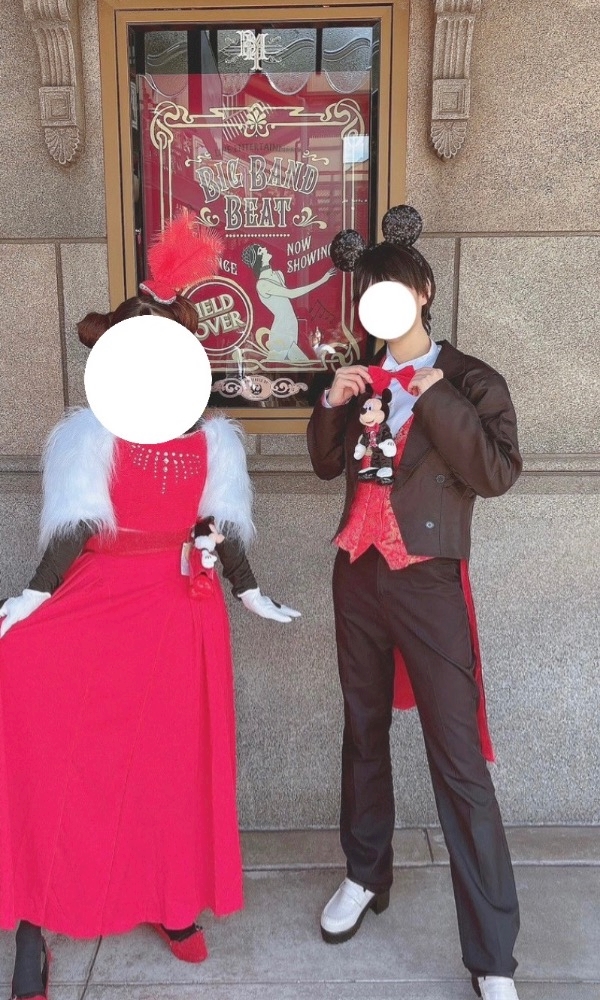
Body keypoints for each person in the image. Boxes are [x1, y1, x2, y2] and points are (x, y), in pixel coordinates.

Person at [0, 217, 299, 1000]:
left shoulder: (215, 443)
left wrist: (248, 588)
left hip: (178, 614)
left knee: (170, 768)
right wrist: (33, 596)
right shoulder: (88, 437)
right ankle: (34, 915)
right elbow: (73, 531)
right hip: (99, 604)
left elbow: (220, 525)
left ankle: (170, 900)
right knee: (59, 755)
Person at [306, 205, 522, 1000]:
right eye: (370, 294)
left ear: (423, 291)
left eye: (394, 289)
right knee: (362, 730)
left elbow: (497, 472)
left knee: (457, 759)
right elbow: (327, 465)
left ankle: (492, 955)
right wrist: (332, 400)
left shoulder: (471, 379)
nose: (384, 304)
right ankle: (366, 873)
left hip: (428, 580)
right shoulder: (359, 372)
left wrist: (436, 399)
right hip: (357, 576)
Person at [241, 243, 336, 363]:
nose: (265, 248)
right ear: (258, 259)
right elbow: (291, 294)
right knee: (283, 366)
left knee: (301, 366)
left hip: (290, 326)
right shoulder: (262, 284)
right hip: (282, 329)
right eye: (260, 250)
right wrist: (322, 280)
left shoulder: (278, 274)